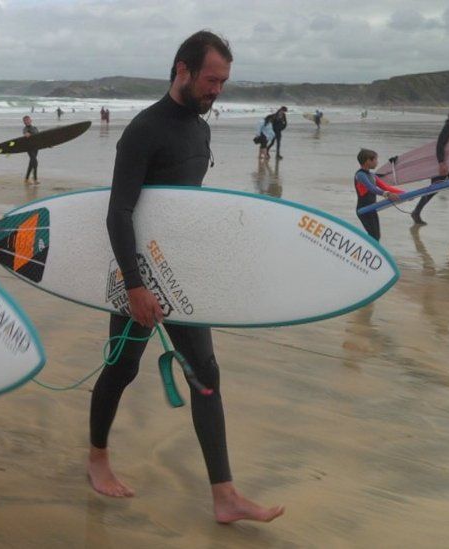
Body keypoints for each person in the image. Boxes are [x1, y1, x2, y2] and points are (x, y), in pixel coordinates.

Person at [88, 30, 284, 524]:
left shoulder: (200, 128)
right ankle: (97, 459)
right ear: (182, 70)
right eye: (211, 79)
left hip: (182, 276)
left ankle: (225, 495)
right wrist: (135, 286)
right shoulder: (144, 130)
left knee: (206, 376)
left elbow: (184, 208)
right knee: (122, 369)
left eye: (223, 82)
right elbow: (119, 213)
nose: (217, 90)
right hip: (138, 274)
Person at [410, 103, 449, 228]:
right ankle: (416, 212)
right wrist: (441, 163)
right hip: (444, 163)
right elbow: (440, 144)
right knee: (434, 189)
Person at [354, 149, 402, 241]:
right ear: (368, 160)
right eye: (375, 159)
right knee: (374, 237)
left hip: (372, 209)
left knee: (376, 236)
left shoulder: (372, 175)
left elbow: (386, 187)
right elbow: (371, 188)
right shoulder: (360, 175)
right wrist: (387, 194)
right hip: (363, 210)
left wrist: (404, 193)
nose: (377, 162)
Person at [22, 115, 39, 184]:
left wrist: (48, 145)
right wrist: (26, 134)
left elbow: (40, 137)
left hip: (36, 147)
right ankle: (35, 179)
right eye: (25, 121)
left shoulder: (35, 128)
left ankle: (26, 179)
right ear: (24, 122)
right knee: (35, 162)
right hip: (29, 147)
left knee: (31, 163)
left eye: (28, 120)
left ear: (31, 120)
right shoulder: (25, 128)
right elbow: (25, 133)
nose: (27, 121)